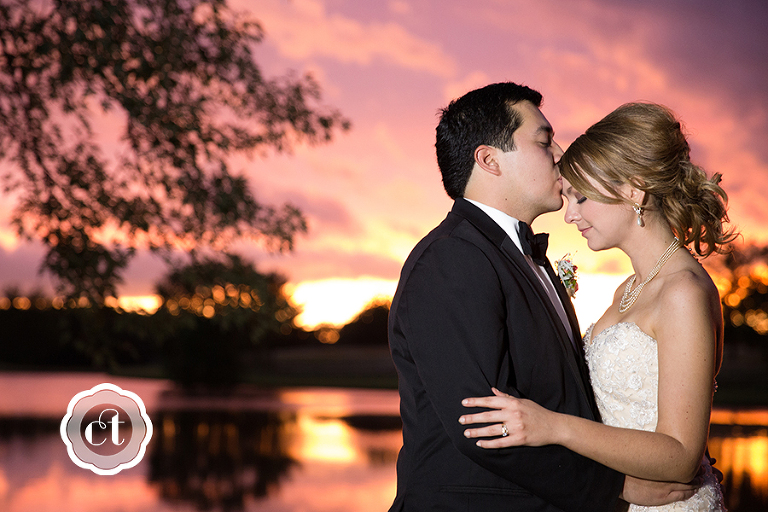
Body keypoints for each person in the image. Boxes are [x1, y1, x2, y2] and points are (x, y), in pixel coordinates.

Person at [388, 84, 699, 511]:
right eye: (543, 140)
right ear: (489, 160)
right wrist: (613, 487)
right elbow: (482, 424)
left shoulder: (522, 256)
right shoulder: (451, 259)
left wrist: (652, 449)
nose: (558, 151)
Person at [459, 102, 735, 511]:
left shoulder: (682, 291)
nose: (569, 215)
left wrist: (551, 426)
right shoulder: (630, 287)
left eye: (582, 198)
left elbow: (679, 455)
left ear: (633, 190)